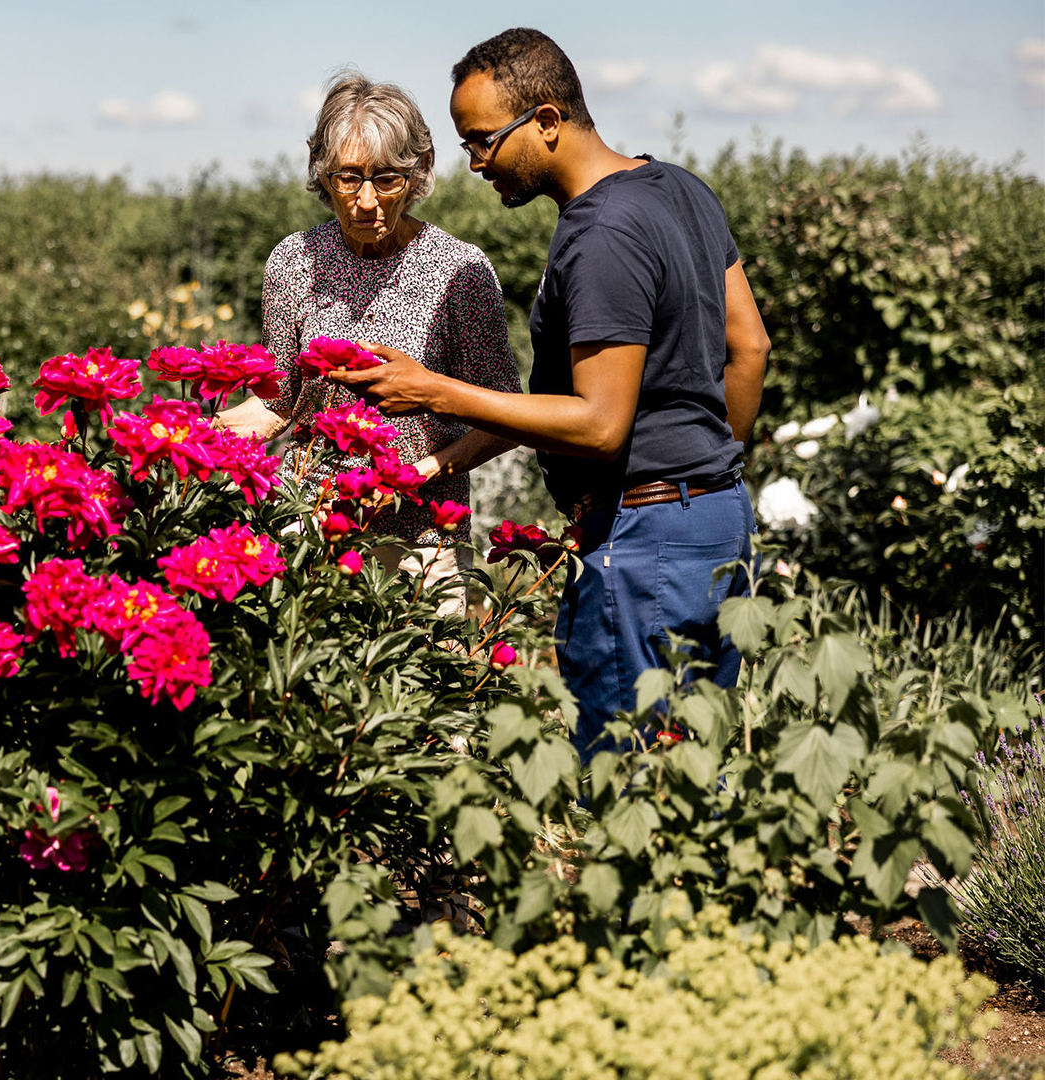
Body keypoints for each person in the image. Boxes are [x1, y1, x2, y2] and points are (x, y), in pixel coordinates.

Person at [327, 29, 771, 758]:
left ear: (547, 121)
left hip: (643, 538)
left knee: (636, 781)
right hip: (716, 524)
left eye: (482, 141)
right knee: (699, 768)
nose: (475, 164)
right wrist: (712, 467)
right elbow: (749, 348)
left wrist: (432, 389)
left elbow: (598, 426)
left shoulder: (600, 234)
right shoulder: (680, 189)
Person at [216, 70, 520, 612]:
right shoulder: (293, 261)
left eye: (387, 179)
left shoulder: (459, 271)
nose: (364, 200)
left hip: (421, 545)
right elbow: (278, 401)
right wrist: (195, 435)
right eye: (347, 177)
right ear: (322, 174)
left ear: (419, 173)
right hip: (310, 529)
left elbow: (505, 417)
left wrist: (418, 475)